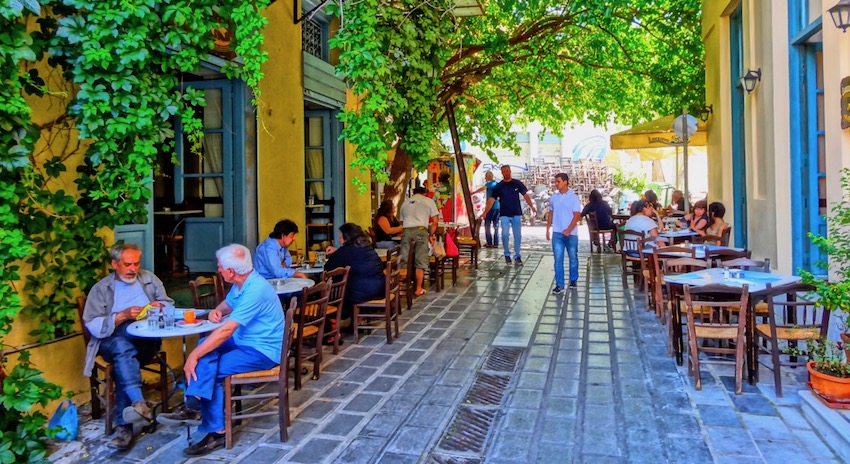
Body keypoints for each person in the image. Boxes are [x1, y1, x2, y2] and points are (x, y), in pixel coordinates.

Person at [157, 244, 284, 456]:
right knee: (203, 347)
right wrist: (217, 310)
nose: (218, 270)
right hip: (244, 341)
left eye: (220, 267)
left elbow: (226, 331)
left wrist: (192, 358)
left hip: (263, 350)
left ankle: (216, 432)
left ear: (231, 272)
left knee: (210, 366)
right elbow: (229, 303)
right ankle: (194, 402)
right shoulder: (243, 282)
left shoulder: (256, 290)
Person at [82, 242, 174, 451]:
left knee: (124, 358)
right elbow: (93, 325)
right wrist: (121, 316)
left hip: (145, 341)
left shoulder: (149, 279)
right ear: (115, 264)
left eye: (136, 263)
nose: (133, 269)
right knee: (122, 348)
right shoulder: (101, 289)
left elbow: (169, 303)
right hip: (111, 340)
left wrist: (159, 307)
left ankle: (130, 418)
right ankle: (136, 409)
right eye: (127, 264)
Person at [324, 223, 385, 323]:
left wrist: (336, 252)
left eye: (341, 237)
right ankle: (356, 320)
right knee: (349, 283)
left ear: (347, 237)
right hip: (380, 289)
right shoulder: (367, 247)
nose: (339, 239)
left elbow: (328, 268)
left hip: (362, 293)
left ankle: (333, 326)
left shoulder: (345, 251)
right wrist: (337, 251)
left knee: (332, 294)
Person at [483, 165, 536, 265]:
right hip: (504, 214)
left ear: (510, 171)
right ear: (502, 173)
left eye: (507, 171)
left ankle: (517, 255)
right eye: (504, 172)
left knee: (517, 236)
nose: (506, 173)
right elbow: (491, 200)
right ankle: (507, 254)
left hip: (516, 213)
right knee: (505, 234)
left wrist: (532, 206)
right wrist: (485, 212)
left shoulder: (517, 183)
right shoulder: (499, 186)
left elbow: (526, 195)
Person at [399, 186, 439, 296]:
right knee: (420, 260)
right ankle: (418, 289)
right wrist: (430, 234)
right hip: (421, 230)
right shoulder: (428, 201)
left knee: (405, 259)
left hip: (406, 231)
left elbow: (402, 222)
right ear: (424, 193)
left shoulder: (405, 202)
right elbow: (435, 221)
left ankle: (401, 287)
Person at [547, 173, 582, 293]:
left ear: (565, 182)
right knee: (558, 258)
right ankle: (559, 283)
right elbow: (550, 212)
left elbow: (577, 215)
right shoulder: (554, 198)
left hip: (571, 233)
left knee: (573, 257)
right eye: (556, 182)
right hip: (557, 232)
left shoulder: (573, 198)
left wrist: (569, 229)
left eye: (558, 181)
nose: (556, 184)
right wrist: (548, 228)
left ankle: (573, 279)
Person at [473, 171, 500, 248]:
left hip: (489, 208)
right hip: (497, 207)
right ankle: (496, 243)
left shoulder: (489, 184)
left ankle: (489, 243)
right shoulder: (497, 184)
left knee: (487, 225)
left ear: (489, 176)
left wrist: (473, 192)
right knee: (496, 225)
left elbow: (482, 189)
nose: (485, 178)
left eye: (486, 176)